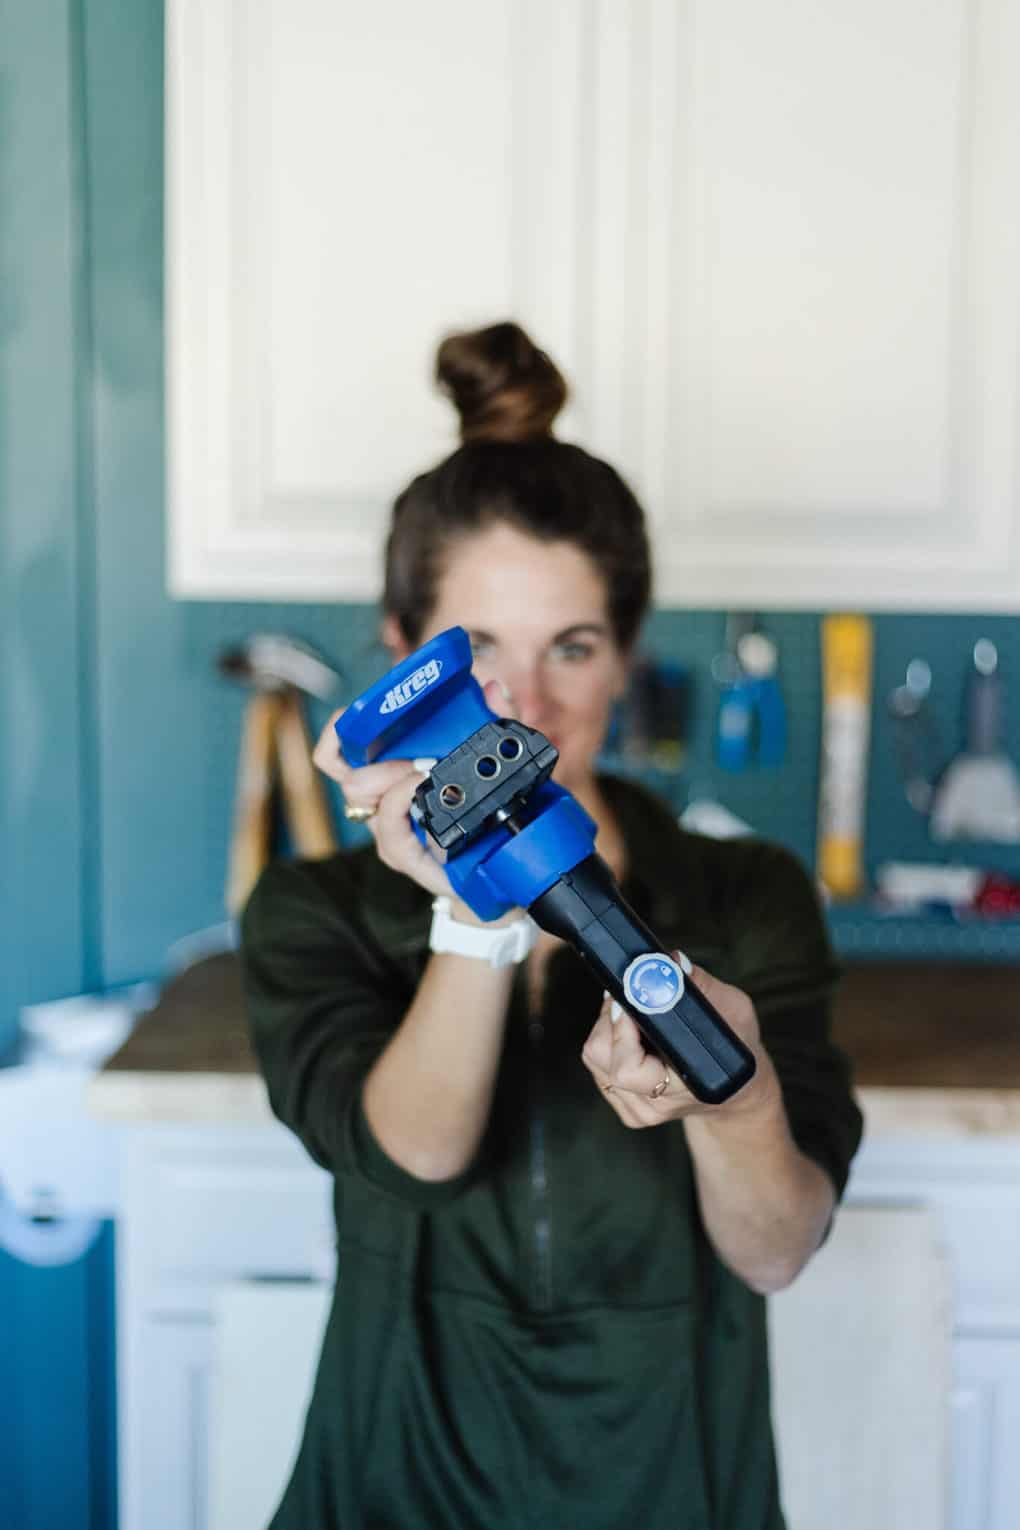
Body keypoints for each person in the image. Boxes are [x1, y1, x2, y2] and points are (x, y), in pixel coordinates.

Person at [240, 321, 863, 1530]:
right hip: (390, 1484)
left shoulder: (749, 898)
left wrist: (734, 1105)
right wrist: (471, 913)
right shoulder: (312, 913)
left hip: (675, 1488)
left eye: (574, 646)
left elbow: (778, 1250)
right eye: (476, 655)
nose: (524, 703)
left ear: (626, 659)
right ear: (400, 659)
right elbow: (417, 1154)